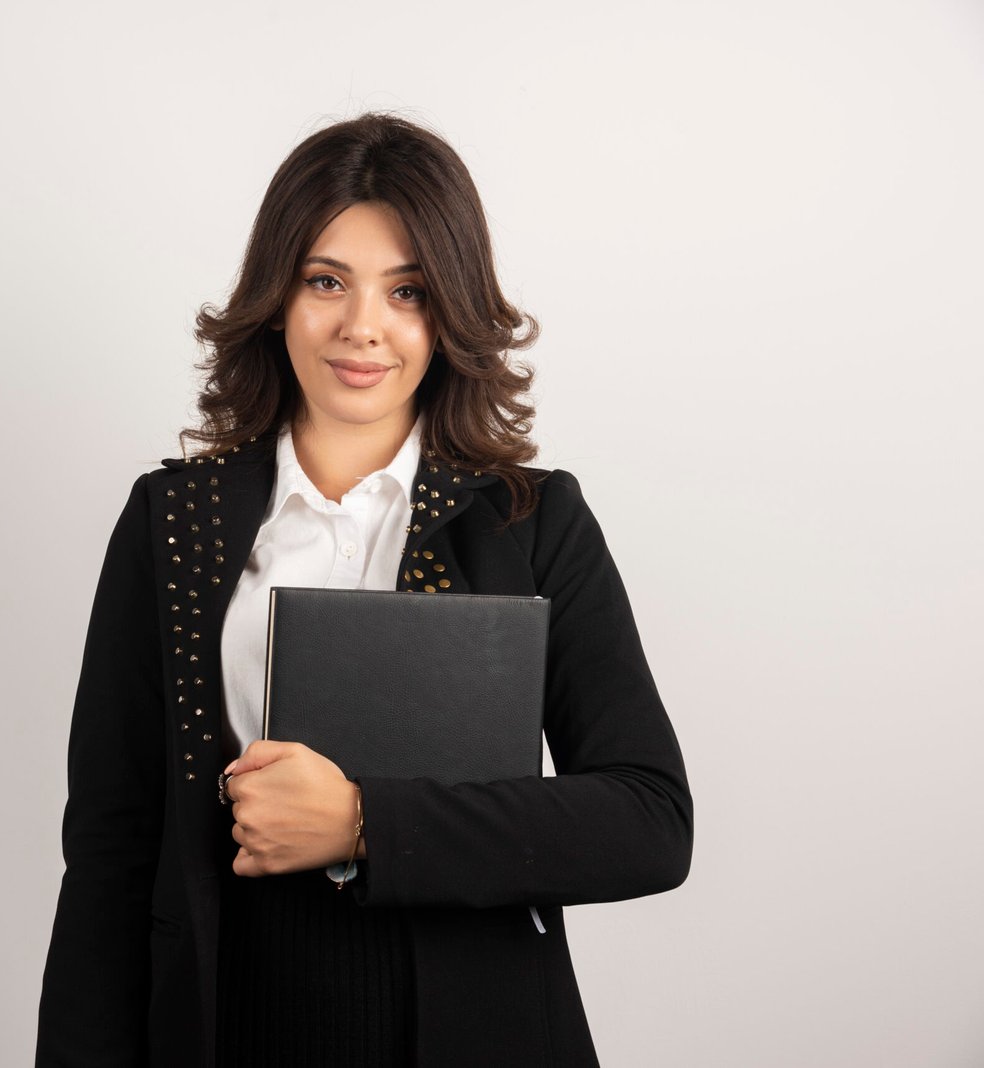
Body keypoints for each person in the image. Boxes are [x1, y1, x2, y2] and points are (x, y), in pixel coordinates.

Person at [35, 111, 693, 1067]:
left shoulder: (530, 521)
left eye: (409, 291)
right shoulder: (170, 522)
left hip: (480, 1034)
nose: (362, 328)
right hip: (228, 1028)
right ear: (276, 297)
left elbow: (649, 821)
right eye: (326, 281)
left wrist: (362, 822)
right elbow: (108, 856)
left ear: (452, 312)